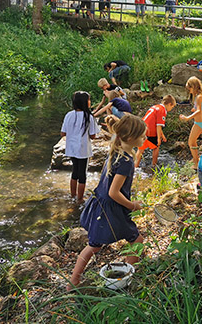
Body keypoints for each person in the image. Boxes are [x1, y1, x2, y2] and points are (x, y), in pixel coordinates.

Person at [68, 114, 147, 289]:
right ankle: (127, 276)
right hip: (111, 210)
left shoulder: (116, 152)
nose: (145, 138)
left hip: (102, 206)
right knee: (136, 241)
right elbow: (113, 192)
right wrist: (132, 205)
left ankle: (73, 281)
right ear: (130, 138)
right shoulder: (126, 161)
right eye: (142, 136)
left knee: (94, 246)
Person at [60, 91, 100, 203]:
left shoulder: (69, 115)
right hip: (83, 149)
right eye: (89, 100)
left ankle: (72, 195)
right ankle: (80, 198)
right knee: (82, 174)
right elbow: (92, 136)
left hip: (71, 148)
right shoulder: (89, 117)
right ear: (85, 102)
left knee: (75, 172)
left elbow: (63, 133)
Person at [135, 95, 177, 168]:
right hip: (150, 131)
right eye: (172, 107)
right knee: (156, 147)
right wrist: (158, 138)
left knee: (141, 149)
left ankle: (135, 167)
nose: (171, 109)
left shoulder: (155, 107)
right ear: (169, 104)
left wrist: (162, 135)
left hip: (141, 128)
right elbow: (158, 125)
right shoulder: (163, 110)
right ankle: (154, 165)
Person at [179, 77, 202, 166]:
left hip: (199, 123)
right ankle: (195, 159)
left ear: (193, 86)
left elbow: (199, 111)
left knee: (191, 142)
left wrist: (187, 118)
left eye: (189, 89)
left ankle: (196, 163)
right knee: (193, 141)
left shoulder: (198, 97)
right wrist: (196, 108)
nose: (189, 91)